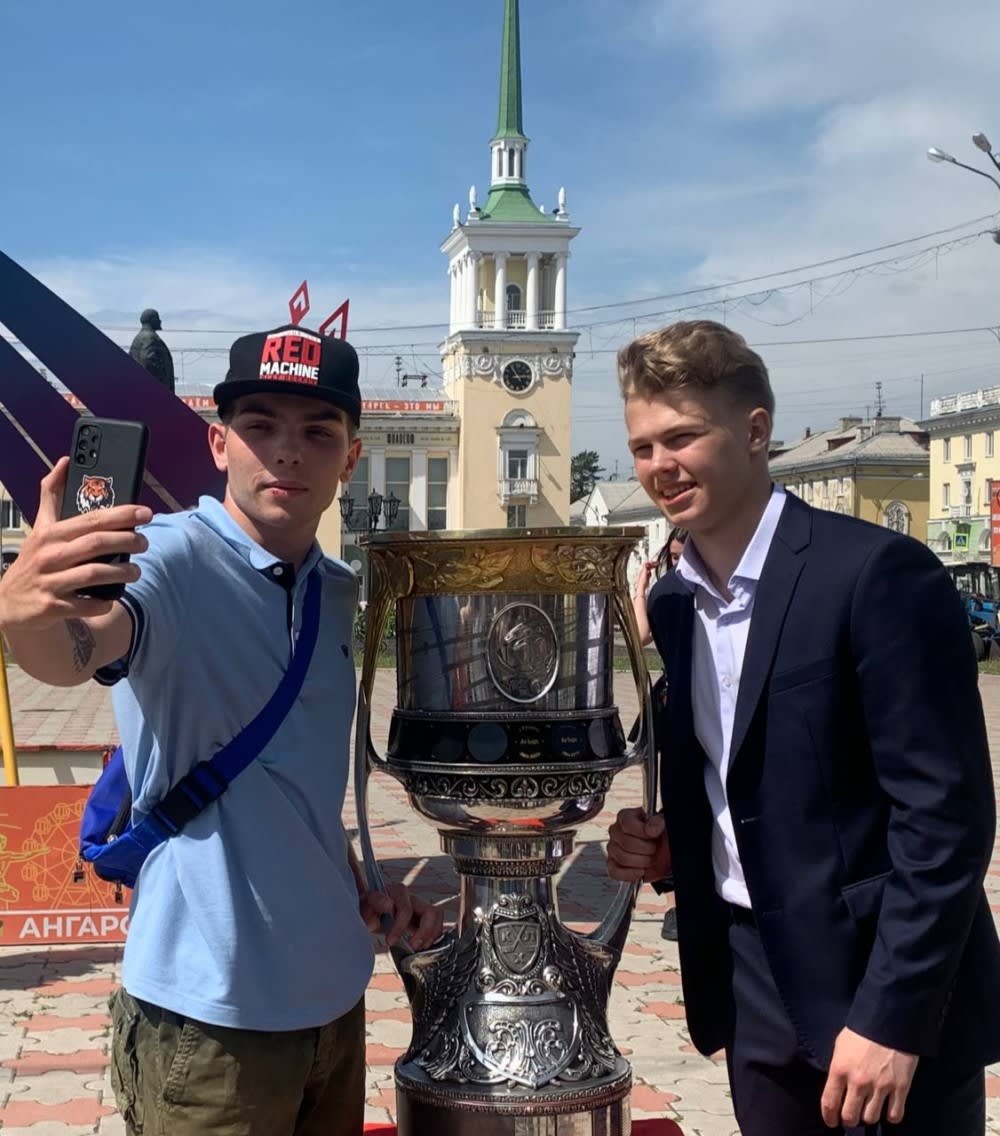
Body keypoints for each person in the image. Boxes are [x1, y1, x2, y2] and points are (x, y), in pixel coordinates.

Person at [0, 323, 443, 1136]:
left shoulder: (337, 591)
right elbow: (77, 650)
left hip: (335, 1000)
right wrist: (26, 614)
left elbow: (296, 788)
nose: (287, 451)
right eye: (260, 425)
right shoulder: (167, 560)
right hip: (208, 1020)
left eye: (318, 432)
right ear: (219, 443)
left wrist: (359, 891)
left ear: (350, 458)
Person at [605, 319, 1000, 1135]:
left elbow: (946, 818)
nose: (659, 466)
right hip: (750, 981)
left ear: (756, 431)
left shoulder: (874, 574)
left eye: (682, 437)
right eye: (642, 447)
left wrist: (893, 1016)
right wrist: (682, 847)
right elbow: (748, 776)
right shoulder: (674, 605)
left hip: (879, 986)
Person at [631, 524, 686, 942]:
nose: (680, 564)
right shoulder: (668, 594)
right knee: (673, 798)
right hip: (672, 704)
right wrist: (640, 588)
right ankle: (676, 903)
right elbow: (639, 637)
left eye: (687, 556)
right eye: (675, 557)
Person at [128, 307, 175, 393]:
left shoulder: (138, 338)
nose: (160, 321)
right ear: (152, 320)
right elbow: (147, 362)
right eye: (157, 318)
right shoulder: (150, 338)